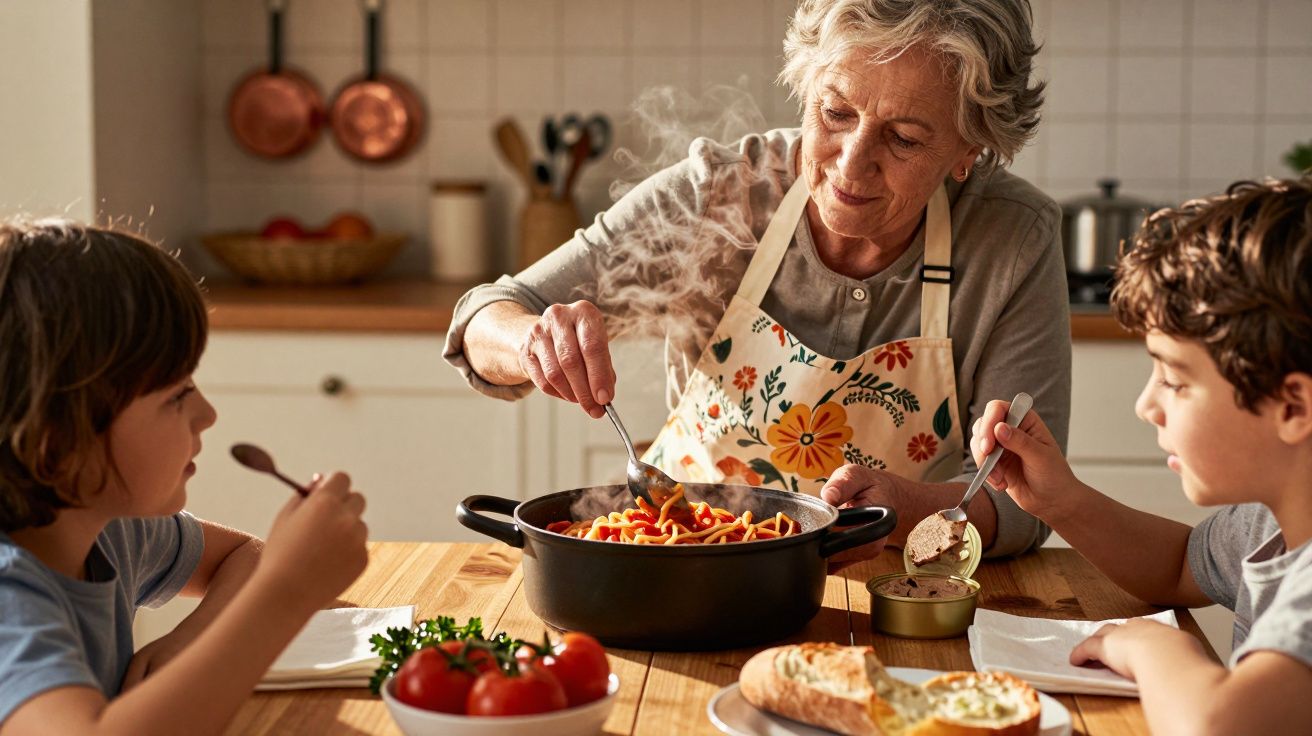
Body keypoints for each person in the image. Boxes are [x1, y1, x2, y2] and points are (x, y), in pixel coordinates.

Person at [446, 0, 1070, 563]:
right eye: (835, 112)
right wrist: (532, 341)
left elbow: (1019, 501)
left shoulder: (1012, 239)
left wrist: (905, 508)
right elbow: (484, 315)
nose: (851, 164)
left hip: (901, 585)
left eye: (903, 138)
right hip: (680, 566)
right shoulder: (717, 195)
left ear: (971, 151)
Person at [0, 220, 370, 735]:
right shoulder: (9, 594)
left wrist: (191, 636)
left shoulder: (111, 530)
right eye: (175, 396)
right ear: (58, 440)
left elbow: (245, 556)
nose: (208, 413)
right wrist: (286, 591)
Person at [970, 178, 1312, 734]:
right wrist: (1061, 501)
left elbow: (1220, 725)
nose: (1145, 405)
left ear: (1293, 406)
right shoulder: (1266, 525)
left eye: (1174, 380)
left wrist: (1150, 646)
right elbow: (1178, 566)